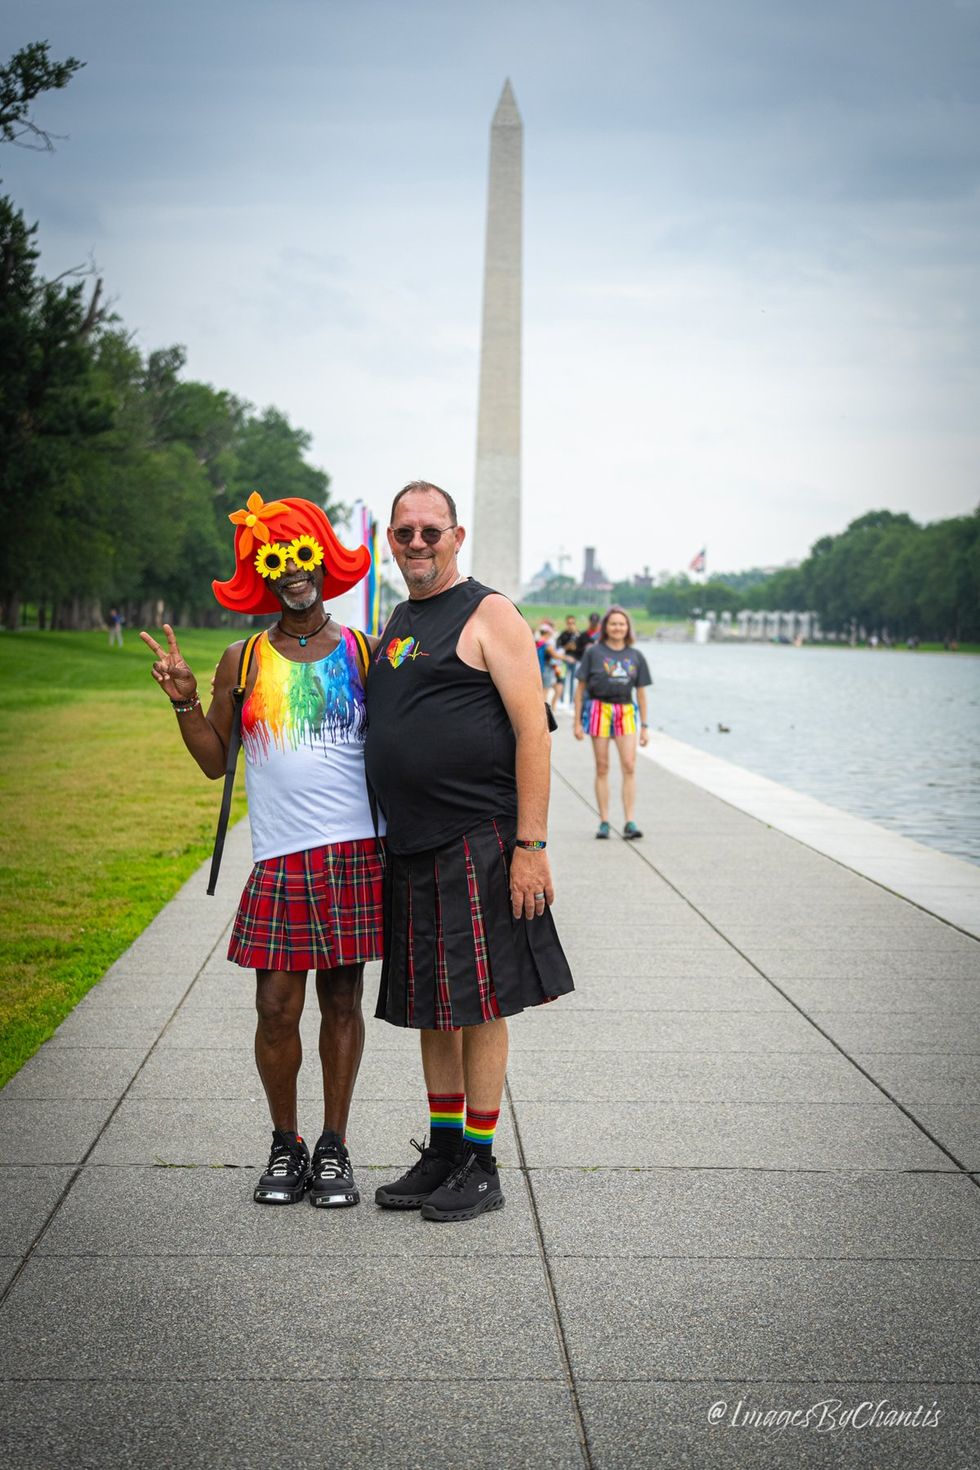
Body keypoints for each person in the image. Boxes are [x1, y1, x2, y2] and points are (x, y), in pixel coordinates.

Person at [140, 492, 384, 1210]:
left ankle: (334, 1149)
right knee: (276, 1007)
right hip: (279, 860)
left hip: (353, 852)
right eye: (274, 558)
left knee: (342, 999)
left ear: (322, 560)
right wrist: (186, 700)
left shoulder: (363, 653)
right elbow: (216, 762)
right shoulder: (240, 659)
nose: (291, 570)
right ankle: (288, 1145)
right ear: (262, 572)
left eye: (301, 553)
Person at [365, 480, 574, 1222]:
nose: (416, 543)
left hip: (478, 838)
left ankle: (482, 1163)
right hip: (413, 846)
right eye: (404, 532)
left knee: (481, 1003)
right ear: (389, 541)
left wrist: (531, 845)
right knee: (431, 1006)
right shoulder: (398, 619)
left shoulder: (490, 613)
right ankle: (446, 1149)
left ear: (458, 538)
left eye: (431, 531)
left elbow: (532, 733)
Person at [574, 605, 651, 840]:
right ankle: (604, 820)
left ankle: (629, 820)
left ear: (627, 628)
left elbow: (641, 693)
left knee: (629, 765)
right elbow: (580, 690)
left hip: (626, 710)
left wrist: (645, 726)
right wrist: (577, 722)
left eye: (622, 624)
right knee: (602, 766)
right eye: (613, 624)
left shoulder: (635, 656)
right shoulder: (593, 653)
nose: (618, 628)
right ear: (606, 627)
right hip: (599, 708)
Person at [556, 615, 580, 705]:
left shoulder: (578, 634)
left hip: (574, 660)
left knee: (573, 681)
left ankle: (571, 701)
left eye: (572, 623)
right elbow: (558, 647)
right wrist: (567, 647)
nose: (571, 625)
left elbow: (581, 647)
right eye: (569, 623)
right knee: (562, 679)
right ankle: (561, 700)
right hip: (564, 661)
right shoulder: (563, 634)